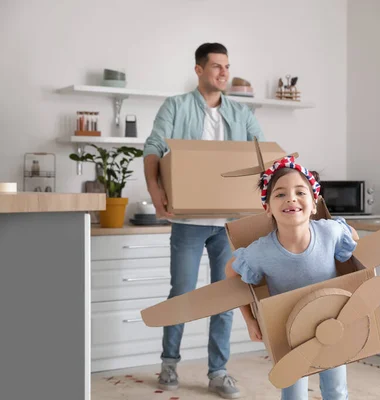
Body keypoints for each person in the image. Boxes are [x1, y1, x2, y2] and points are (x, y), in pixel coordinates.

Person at [143, 42, 265, 399]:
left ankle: (218, 371)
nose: (223, 72)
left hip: (228, 223)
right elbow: (152, 150)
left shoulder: (242, 114)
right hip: (188, 222)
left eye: (227, 66)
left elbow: (263, 155)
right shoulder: (176, 107)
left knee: (226, 297)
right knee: (181, 293)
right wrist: (156, 194)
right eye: (216, 66)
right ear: (199, 70)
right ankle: (169, 362)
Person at [225, 156, 359, 400]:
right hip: (289, 331)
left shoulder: (329, 232)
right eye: (280, 194)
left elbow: (352, 236)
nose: (291, 199)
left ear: (315, 203)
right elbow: (231, 272)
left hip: (331, 323)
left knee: (336, 391)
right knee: (293, 394)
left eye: (300, 192)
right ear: (267, 208)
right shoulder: (261, 251)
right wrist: (250, 320)